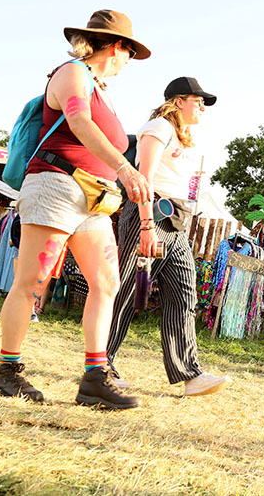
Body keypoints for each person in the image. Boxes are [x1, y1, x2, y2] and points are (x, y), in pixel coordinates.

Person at [0, 9, 153, 409]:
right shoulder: (72, 73)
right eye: (129, 53)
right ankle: (7, 372)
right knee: (33, 280)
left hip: (92, 198)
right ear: (118, 47)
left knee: (107, 282)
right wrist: (124, 167)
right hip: (55, 185)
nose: (128, 62)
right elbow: (79, 122)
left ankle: (94, 379)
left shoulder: (101, 88)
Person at [106, 76, 231, 397]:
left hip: (176, 219)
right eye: (197, 100)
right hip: (150, 215)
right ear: (178, 101)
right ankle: (101, 365)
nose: (202, 107)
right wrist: (146, 226)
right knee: (127, 292)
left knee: (184, 295)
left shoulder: (182, 136)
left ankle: (189, 374)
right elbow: (142, 179)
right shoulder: (158, 127)